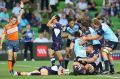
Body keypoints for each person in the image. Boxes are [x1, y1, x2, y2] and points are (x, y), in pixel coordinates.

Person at [0, 1, 24, 74]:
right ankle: (10, 70)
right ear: (10, 20)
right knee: (10, 55)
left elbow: (20, 14)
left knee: (15, 58)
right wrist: (1, 44)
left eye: (15, 20)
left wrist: (22, 7)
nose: (15, 21)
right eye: (13, 20)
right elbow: (3, 35)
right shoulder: (6, 26)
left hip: (16, 42)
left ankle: (11, 67)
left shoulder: (16, 23)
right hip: (9, 42)